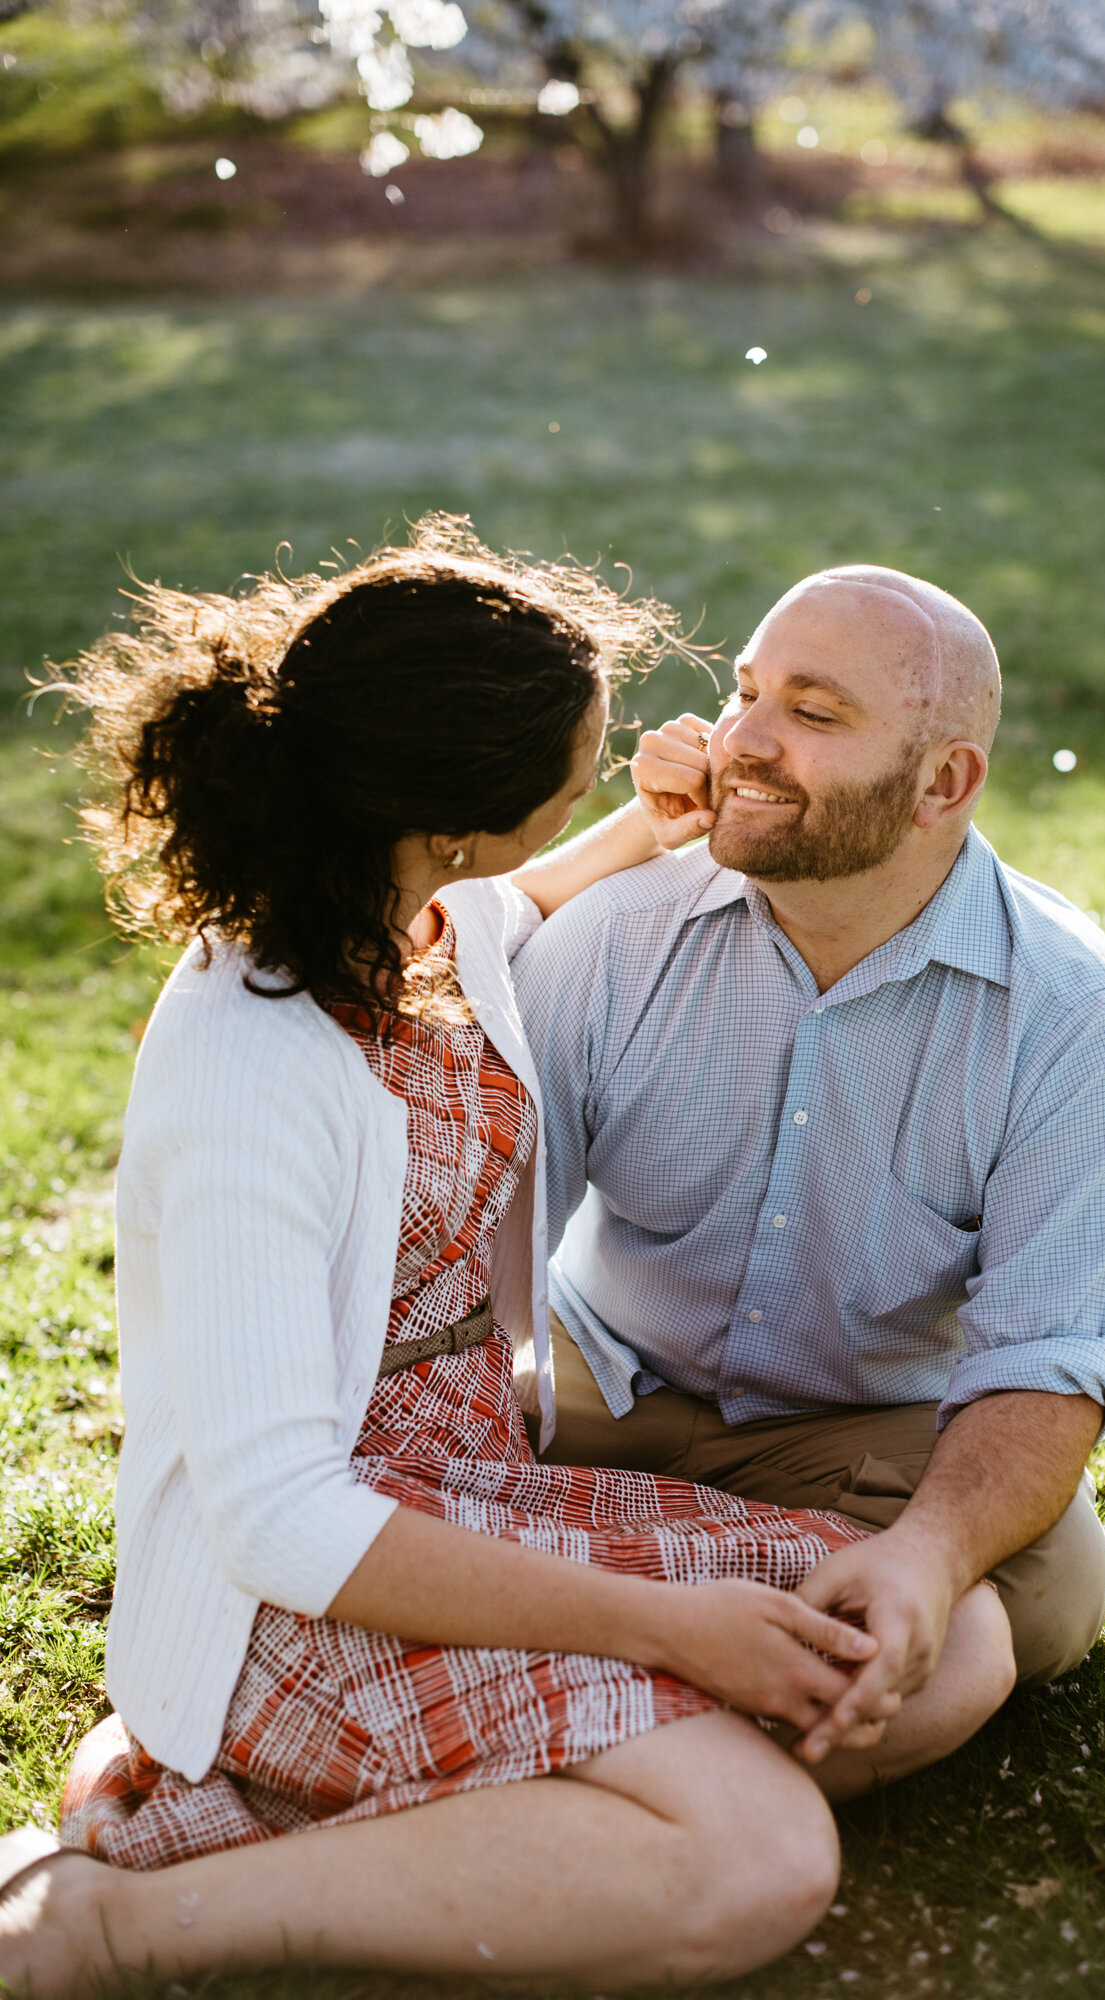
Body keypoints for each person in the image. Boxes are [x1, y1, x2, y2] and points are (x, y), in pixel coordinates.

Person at [0, 522, 1014, 1998]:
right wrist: (667, 1633)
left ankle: (479, 1803)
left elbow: (497, 914)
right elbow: (284, 1520)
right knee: (761, 1860)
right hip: (299, 1590)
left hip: (472, 1482)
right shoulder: (247, 1060)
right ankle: (115, 1923)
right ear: (454, 817)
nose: (636, 762)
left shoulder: (394, 914)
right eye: (590, 762)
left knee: (935, 1647)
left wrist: (642, 832)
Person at [513, 562, 1105, 1775]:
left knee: (1050, 1582)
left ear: (943, 782)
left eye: (813, 715)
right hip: (596, 1375)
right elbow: (482, 1248)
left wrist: (928, 1551)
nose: (741, 742)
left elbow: (1047, 1354)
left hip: (864, 1427)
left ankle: (629, 1663)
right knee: (410, 1442)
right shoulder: (611, 935)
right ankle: (668, 1663)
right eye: (744, 692)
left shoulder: (1077, 1018)